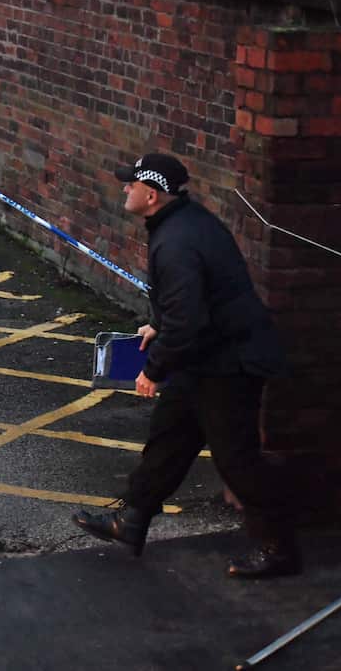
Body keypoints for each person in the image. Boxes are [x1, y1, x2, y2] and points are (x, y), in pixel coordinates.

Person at [72, 153, 299, 578]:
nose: (125, 188)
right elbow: (191, 301)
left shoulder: (176, 240)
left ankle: (279, 548)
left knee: (237, 461)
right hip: (206, 356)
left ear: (152, 195)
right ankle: (132, 520)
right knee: (169, 437)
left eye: (132, 183)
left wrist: (153, 370)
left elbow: (188, 320)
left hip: (230, 363)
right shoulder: (184, 223)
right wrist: (158, 325)